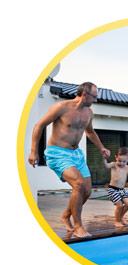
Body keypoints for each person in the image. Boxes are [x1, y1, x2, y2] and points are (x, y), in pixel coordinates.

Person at [28, 82, 110, 238]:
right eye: (94, 97)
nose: (96, 100)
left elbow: (90, 132)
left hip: (76, 155)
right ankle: (78, 226)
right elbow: (39, 125)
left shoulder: (89, 113)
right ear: (84, 94)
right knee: (78, 183)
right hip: (57, 153)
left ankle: (65, 216)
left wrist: (101, 147)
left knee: (87, 191)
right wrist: (34, 151)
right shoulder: (61, 107)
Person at [103, 147, 128, 228]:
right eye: (119, 160)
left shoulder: (127, 168)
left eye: (124, 161)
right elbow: (106, 166)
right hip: (113, 189)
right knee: (120, 205)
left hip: (122, 190)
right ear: (116, 157)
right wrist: (104, 158)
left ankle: (121, 217)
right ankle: (117, 221)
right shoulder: (114, 165)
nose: (121, 163)